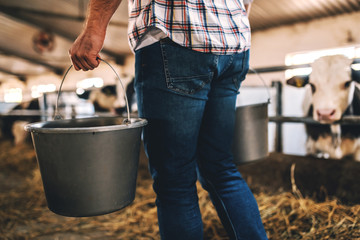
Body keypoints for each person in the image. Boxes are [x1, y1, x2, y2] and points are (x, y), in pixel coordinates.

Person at [69, 0, 268, 239]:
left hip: (177, 35)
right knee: (220, 168)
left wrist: (94, 28)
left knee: (175, 180)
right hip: (233, 44)